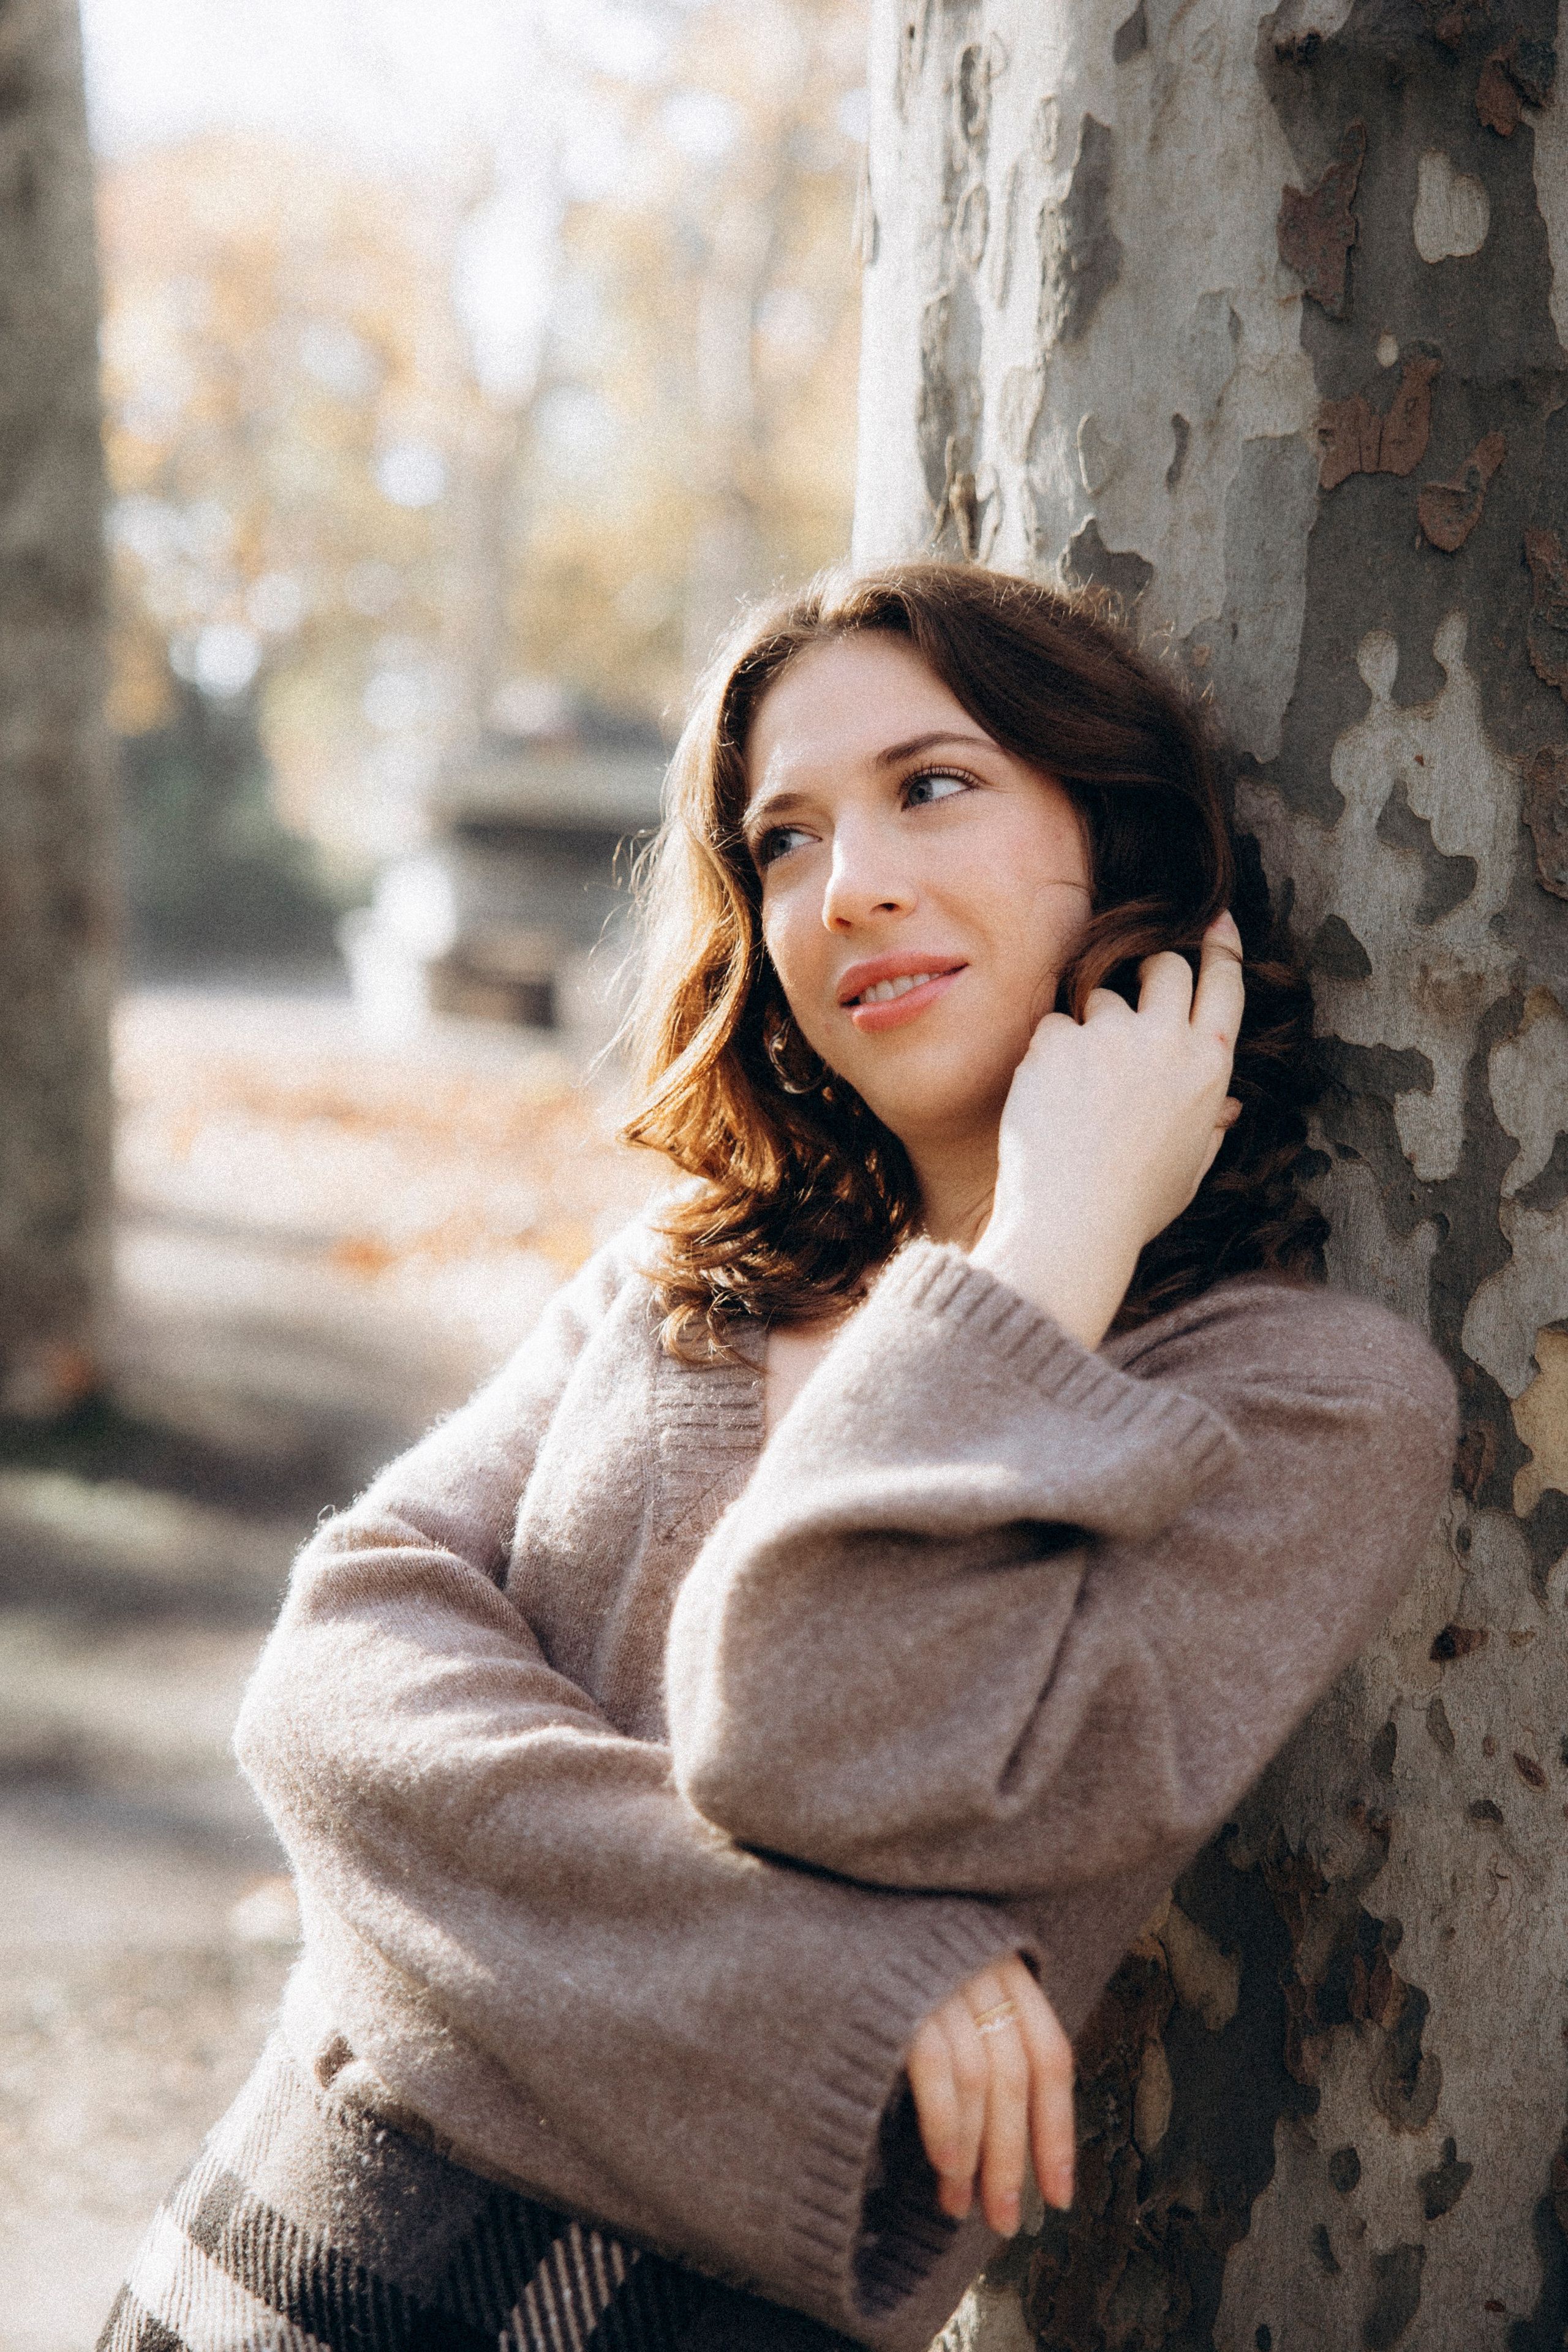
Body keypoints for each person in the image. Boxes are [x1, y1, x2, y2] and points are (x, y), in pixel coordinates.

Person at [100, 564, 1455, 2352]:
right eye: (784, 837)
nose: (850, 886)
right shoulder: (683, 1283)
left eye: (933, 785)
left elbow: (801, 1726)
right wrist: (859, 1985)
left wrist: (1046, 1246)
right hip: (258, 2265)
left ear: (1119, 834)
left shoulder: (1298, 1407)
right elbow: (327, 1690)